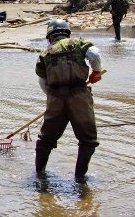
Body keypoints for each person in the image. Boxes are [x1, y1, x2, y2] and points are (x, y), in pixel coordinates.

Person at [35, 19, 104, 183]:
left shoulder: (45, 54)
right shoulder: (79, 43)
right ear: (67, 33)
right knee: (88, 140)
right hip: (79, 95)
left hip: (55, 99)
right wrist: (97, 72)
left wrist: (53, 98)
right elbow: (94, 54)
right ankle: (80, 179)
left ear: (50, 37)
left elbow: (42, 82)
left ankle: (39, 175)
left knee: (46, 139)